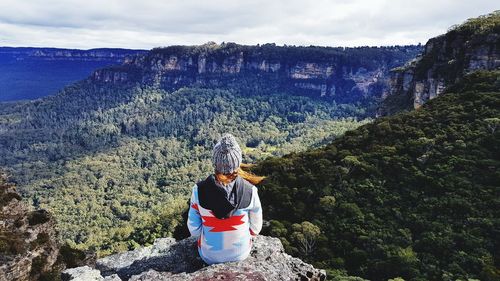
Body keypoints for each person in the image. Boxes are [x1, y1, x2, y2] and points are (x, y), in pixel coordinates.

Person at [187, 133, 264, 265]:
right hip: (241, 254)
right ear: (237, 161)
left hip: (209, 256)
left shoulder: (198, 191)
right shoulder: (250, 191)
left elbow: (194, 230)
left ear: (215, 162)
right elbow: (255, 228)